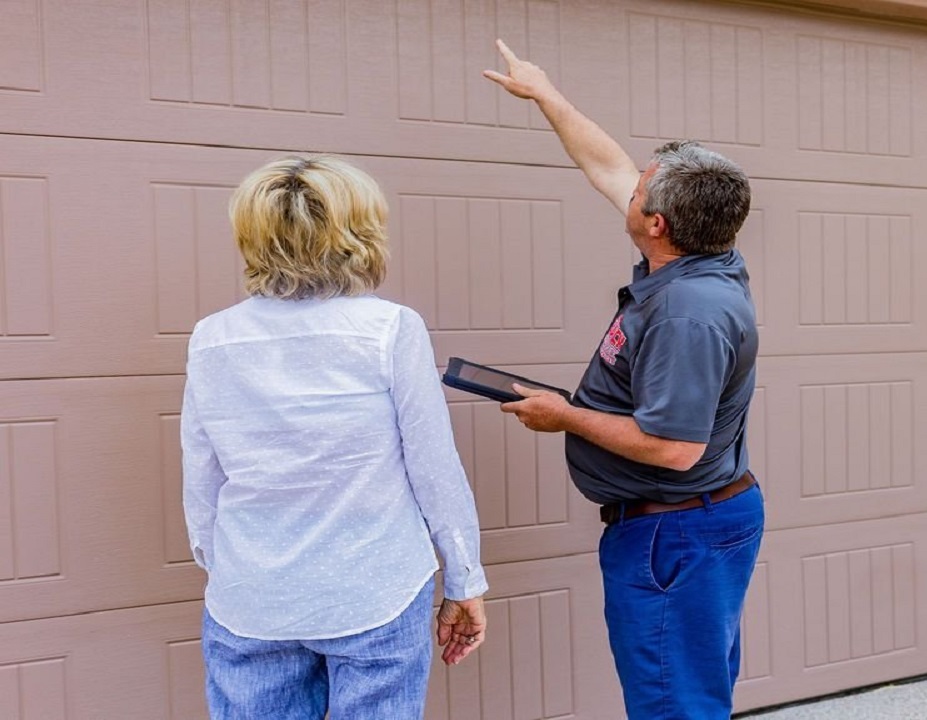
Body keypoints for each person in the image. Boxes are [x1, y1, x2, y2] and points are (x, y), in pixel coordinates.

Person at [484, 40, 765, 719]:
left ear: (656, 223)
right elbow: (607, 165)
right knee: (690, 692)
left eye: (640, 190)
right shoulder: (699, 254)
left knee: (674, 705)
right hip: (689, 526)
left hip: (675, 536)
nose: (628, 189)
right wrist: (547, 96)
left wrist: (565, 416)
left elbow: (674, 448)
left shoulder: (688, 312)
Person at [181, 155, 488, 720]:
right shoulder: (389, 329)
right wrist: (464, 577)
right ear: (359, 232)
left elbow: (202, 477)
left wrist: (230, 569)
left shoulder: (212, 337)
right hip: (374, 587)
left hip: (252, 598)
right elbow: (433, 466)